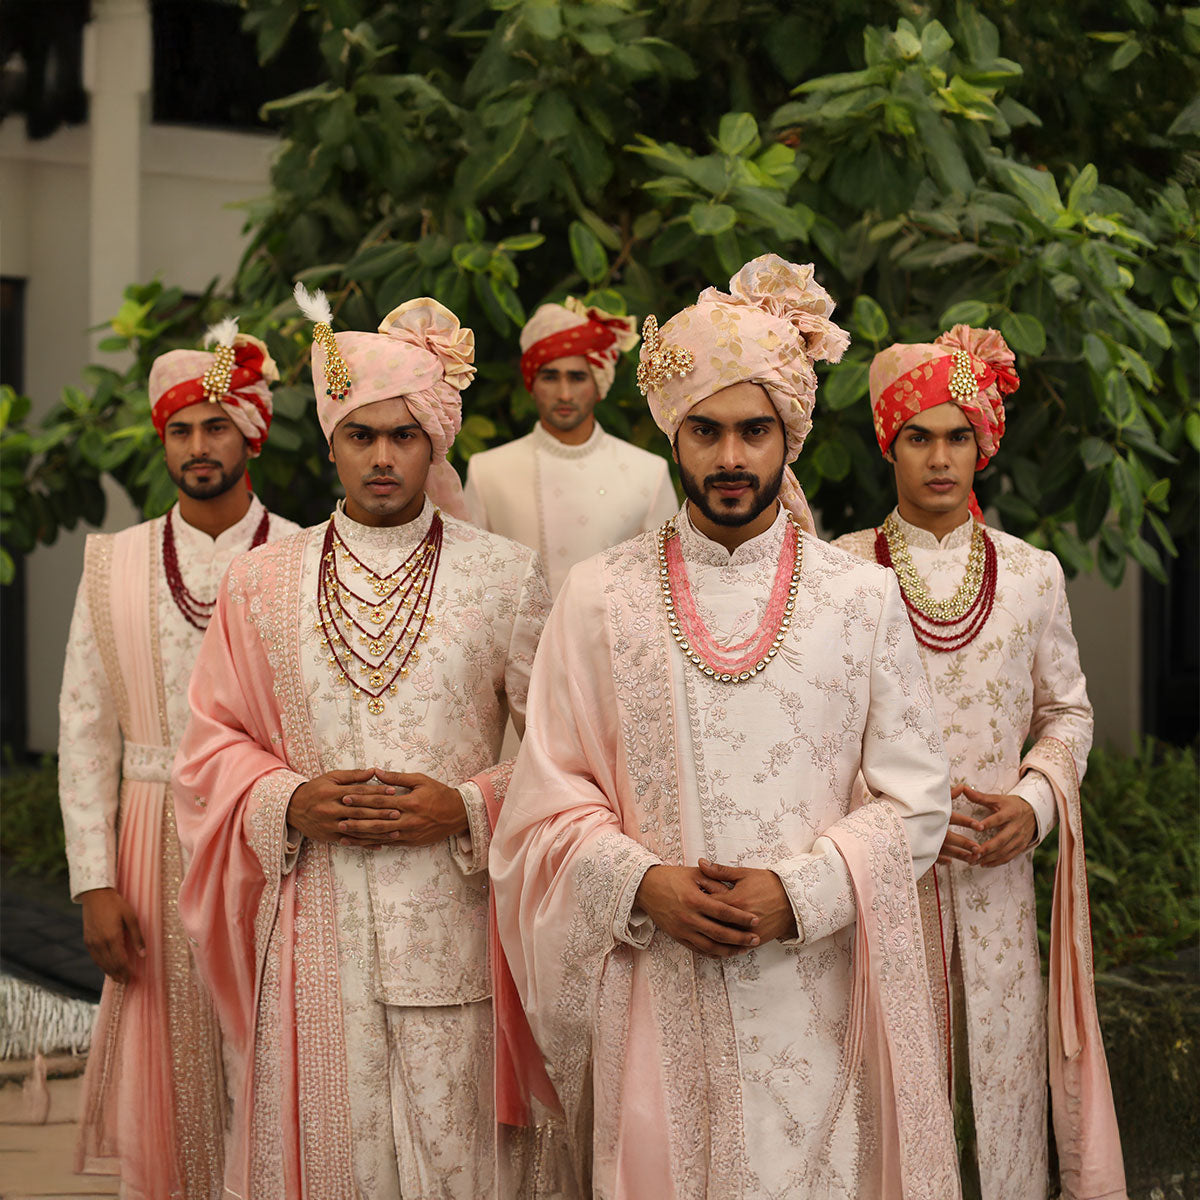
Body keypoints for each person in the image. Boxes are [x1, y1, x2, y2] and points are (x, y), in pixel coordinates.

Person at [491, 254, 960, 1198]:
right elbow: (544, 799)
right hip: (654, 989)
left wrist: (804, 892)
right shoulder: (599, 597)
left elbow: (918, 804)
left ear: (790, 436)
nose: (731, 458)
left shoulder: (859, 598)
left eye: (755, 431)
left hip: (813, 999)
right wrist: (642, 882)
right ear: (675, 437)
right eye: (705, 431)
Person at [172, 287, 555, 1198]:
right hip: (315, 933)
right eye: (361, 435)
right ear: (333, 441)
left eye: (405, 435)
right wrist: (286, 799)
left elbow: (567, 760)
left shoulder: (505, 576)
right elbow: (208, 750)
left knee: (458, 1165)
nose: (382, 457)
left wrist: (466, 804)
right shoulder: (260, 582)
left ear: (435, 443)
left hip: (456, 931)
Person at [831, 326, 1125, 1200]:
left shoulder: (1033, 574)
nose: (939, 458)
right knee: (885, 1096)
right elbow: (814, 732)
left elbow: (1067, 713)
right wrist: (891, 818)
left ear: (984, 443)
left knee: (1001, 1092)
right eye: (917, 436)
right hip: (878, 883)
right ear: (889, 443)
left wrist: (1033, 805)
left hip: (998, 884)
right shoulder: (840, 573)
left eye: (958, 435)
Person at [58, 319, 299, 1197]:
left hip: (276, 839)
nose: (199, 446)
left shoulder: (309, 554)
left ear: (252, 433)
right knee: (170, 1076)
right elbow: (84, 725)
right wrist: (93, 881)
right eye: (180, 429)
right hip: (150, 832)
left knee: (277, 1051)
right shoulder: (113, 563)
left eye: (216, 425)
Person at [464, 297, 677, 597]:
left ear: (598, 384)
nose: (564, 394)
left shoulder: (647, 473)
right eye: (550, 377)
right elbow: (471, 579)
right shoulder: (487, 471)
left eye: (577, 378)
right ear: (532, 383)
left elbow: (664, 584)